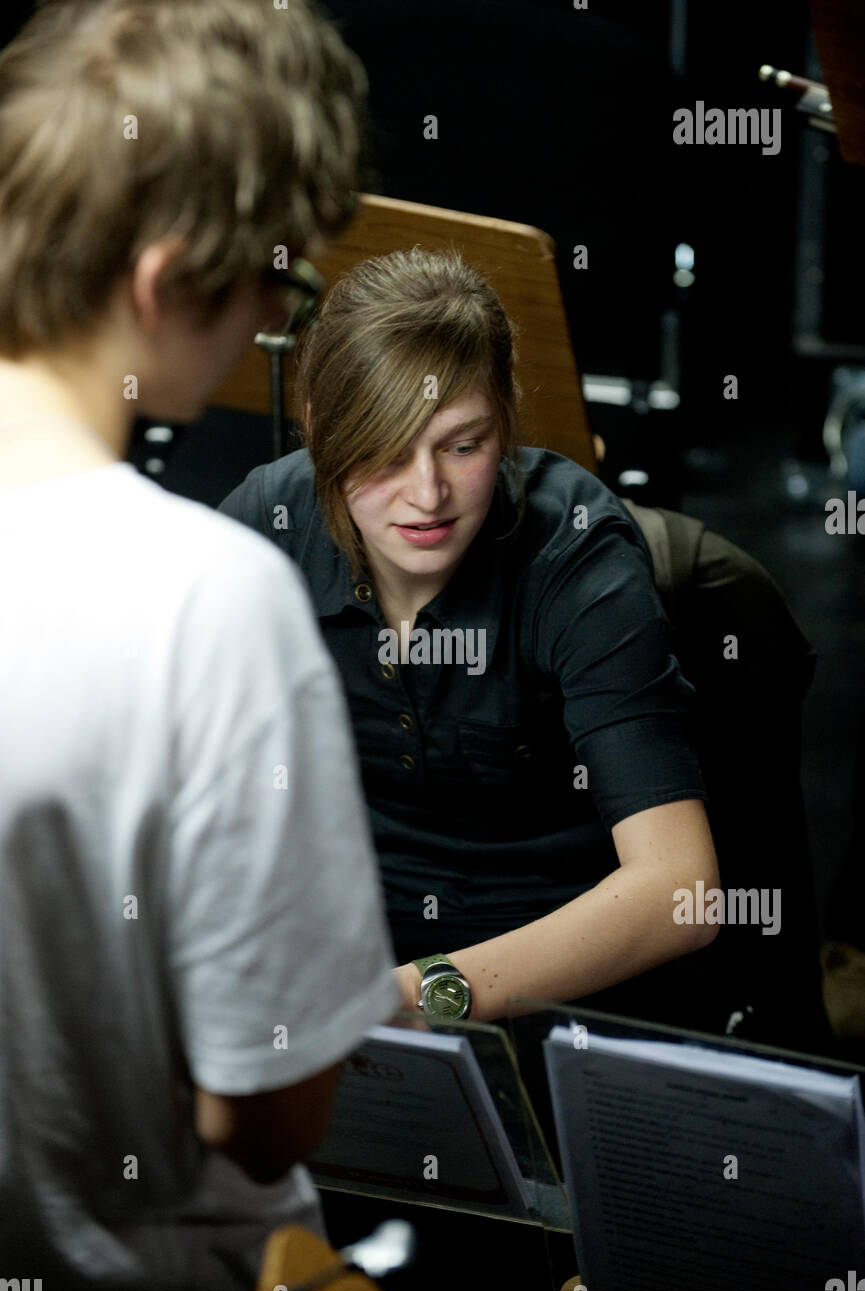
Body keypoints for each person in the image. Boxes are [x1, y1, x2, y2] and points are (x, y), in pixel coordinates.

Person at [0, 0, 397, 1291]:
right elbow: (264, 1111)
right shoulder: (208, 599)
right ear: (167, 280)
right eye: (280, 278)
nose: (278, 317)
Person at [219, 247, 721, 1026]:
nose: (427, 495)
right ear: (317, 432)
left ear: (508, 419)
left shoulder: (577, 554)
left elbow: (679, 894)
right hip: (343, 953)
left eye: (463, 444)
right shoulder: (266, 520)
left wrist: (414, 998)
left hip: (560, 969)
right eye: (384, 450)